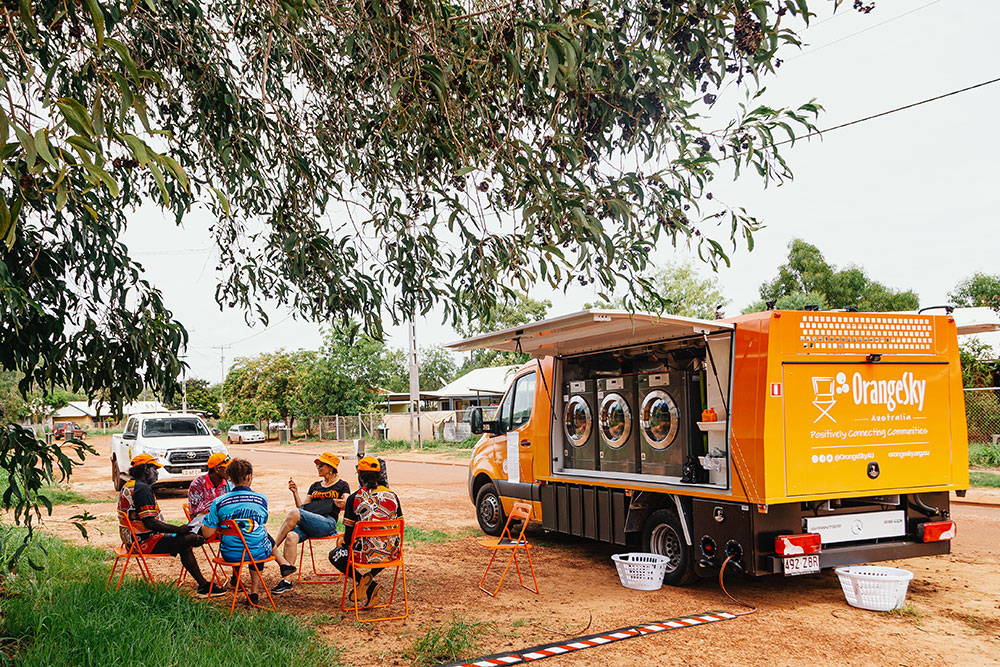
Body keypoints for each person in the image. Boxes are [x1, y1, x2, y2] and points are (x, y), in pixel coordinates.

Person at [117, 453, 224, 598]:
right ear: (146, 469)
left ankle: (204, 585)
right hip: (144, 542)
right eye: (155, 469)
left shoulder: (129, 485)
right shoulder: (142, 489)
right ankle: (204, 585)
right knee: (189, 540)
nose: (157, 473)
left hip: (132, 540)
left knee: (186, 540)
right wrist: (178, 529)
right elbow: (150, 523)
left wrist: (178, 530)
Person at [200, 457, 296, 605]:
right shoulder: (261, 499)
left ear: (229, 478)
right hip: (256, 552)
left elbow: (207, 533)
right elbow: (262, 521)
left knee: (253, 538)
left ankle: (279, 566)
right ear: (249, 477)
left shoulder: (219, 502)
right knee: (257, 536)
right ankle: (254, 593)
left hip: (230, 554)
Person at [328, 456, 402, 609]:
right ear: (380, 475)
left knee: (335, 554)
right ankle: (369, 580)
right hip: (392, 553)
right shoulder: (393, 496)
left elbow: (349, 535)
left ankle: (368, 584)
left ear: (360, 476)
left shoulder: (354, 498)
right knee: (384, 546)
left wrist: (344, 543)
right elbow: (400, 523)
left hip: (364, 555)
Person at [270, 452, 350, 595]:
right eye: (317, 465)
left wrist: (344, 503)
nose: (318, 467)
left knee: (294, 513)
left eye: (321, 465)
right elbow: (303, 508)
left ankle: (272, 548)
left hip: (327, 522)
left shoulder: (342, 485)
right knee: (291, 536)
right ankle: (287, 581)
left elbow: (348, 502)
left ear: (331, 467)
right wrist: (295, 492)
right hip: (310, 522)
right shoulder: (315, 486)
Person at [187, 453, 232, 527]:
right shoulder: (197, 485)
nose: (230, 471)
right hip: (202, 524)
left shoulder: (229, 484)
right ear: (217, 469)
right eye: (227, 469)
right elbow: (198, 513)